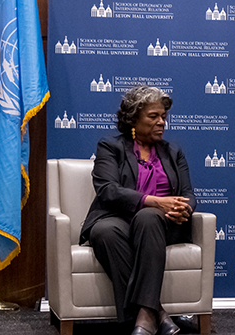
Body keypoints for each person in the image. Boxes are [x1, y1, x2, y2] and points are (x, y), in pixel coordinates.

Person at [82, 85, 193, 335]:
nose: (161, 122)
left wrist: (181, 209)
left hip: (162, 224)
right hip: (118, 218)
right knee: (103, 232)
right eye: (153, 116)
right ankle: (153, 313)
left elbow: (188, 194)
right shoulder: (111, 146)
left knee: (148, 217)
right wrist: (155, 200)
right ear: (133, 118)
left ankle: (145, 319)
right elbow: (108, 189)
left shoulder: (173, 152)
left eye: (163, 116)